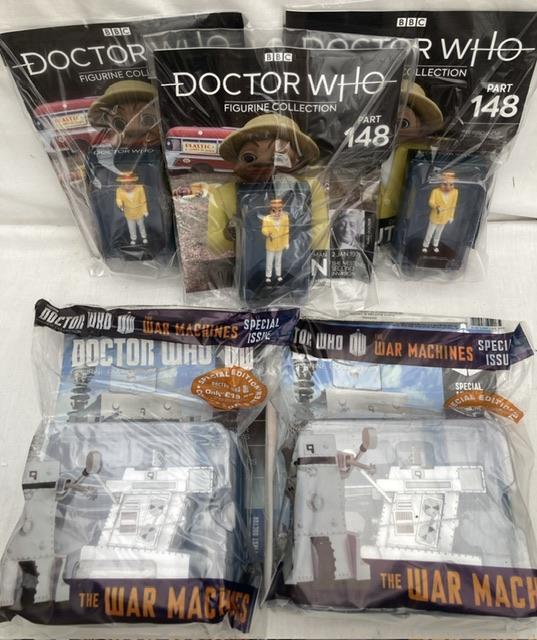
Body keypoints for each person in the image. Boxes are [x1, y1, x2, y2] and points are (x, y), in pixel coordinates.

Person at [422, 171, 458, 254]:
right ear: (440, 183)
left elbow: (453, 205)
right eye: (445, 184)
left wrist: (451, 216)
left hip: (445, 217)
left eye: (451, 184)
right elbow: (430, 202)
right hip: (435, 217)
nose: (448, 187)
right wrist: (437, 207)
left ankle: (435, 245)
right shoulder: (435, 191)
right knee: (430, 232)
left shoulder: (455, 192)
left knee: (439, 233)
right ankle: (425, 245)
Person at [115, 172, 149, 245]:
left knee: (141, 225)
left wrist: (145, 210)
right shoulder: (119, 190)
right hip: (129, 213)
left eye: (129, 183)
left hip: (139, 212)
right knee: (131, 227)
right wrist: (120, 204)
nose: (127, 186)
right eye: (124, 184)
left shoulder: (140, 188)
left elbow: (143, 200)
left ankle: (144, 237)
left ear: (133, 182)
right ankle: (133, 238)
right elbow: (118, 199)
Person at [262, 199, 290, 284]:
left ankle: (278, 275)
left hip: (280, 244)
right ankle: (268, 276)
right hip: (271, 244)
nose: (277, 213)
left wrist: (286, 242)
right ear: (270, 211)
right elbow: (263, 229)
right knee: (269, 261)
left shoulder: (285, 219)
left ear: (282, 210)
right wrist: (268, 233)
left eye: (279, 210)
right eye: (274, 211)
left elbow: (286, 231)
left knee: (278, 261)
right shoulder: (266, 219)